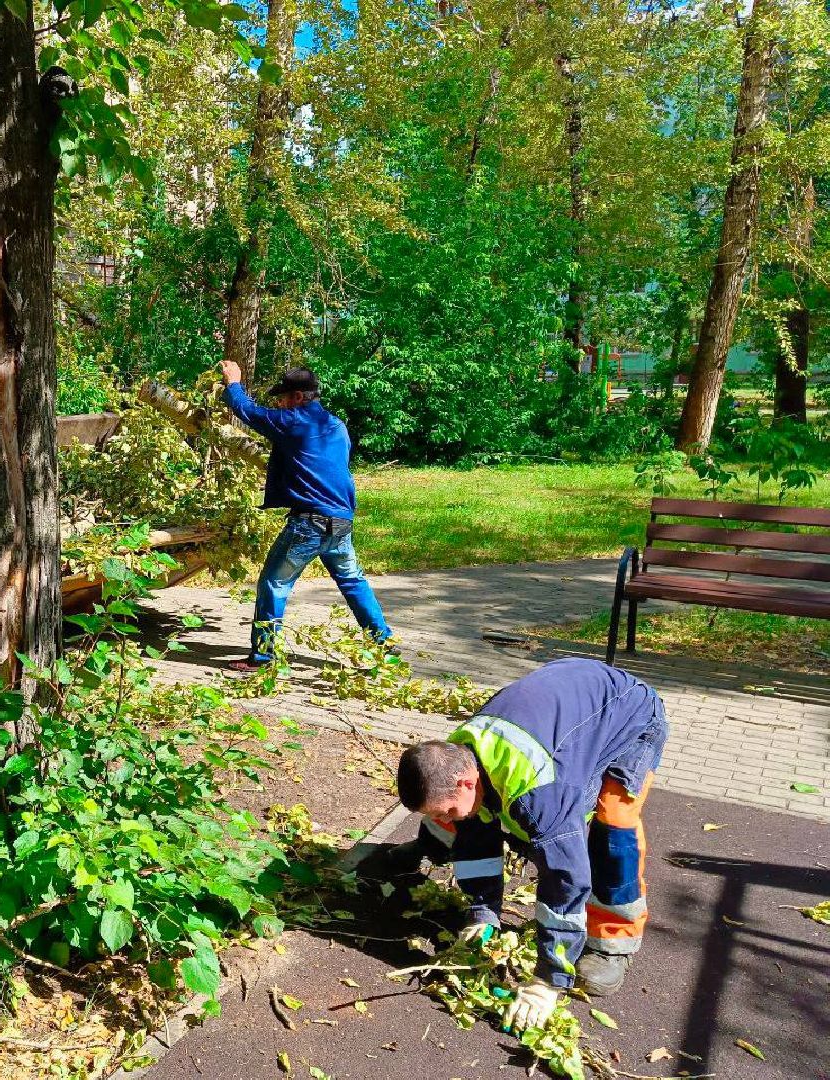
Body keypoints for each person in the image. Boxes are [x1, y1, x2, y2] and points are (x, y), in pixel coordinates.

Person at [390, 657, 668, 1033]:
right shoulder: (459, 752)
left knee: (612, 826)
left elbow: (564, 879)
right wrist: (482, 911)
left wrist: (548, 980)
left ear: (467, 782)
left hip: (630, 716)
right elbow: (474, 828)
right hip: (573, 703)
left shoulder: (541, 793)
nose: (450, 815)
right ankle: (432, 847)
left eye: (451, 808)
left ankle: (612, 942)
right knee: (467, 819)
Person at [218, 361, 392, 670]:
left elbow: (248, 411)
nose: (279, 404)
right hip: (341, 520)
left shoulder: (295, 421)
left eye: (283, 398)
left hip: (309, 523)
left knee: (273, 584)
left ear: (298, 397)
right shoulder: (336, 426)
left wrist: (233, 382)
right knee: (354, 582)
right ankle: (385, 646)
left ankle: (262, 657)